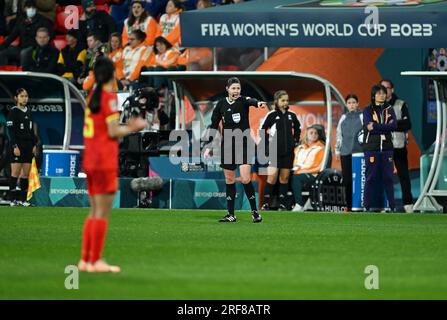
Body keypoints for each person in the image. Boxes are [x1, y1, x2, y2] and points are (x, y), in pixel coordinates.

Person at [78, 57, 146, 273]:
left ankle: (85, 260)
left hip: (90, 159)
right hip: (104, 160)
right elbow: (113, 131)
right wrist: (133, 127)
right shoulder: (108, 98)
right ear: (111, 75)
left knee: (93, 211)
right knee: (102, 213)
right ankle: (96, 261)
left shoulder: (92, 98)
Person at [203, 77, 267, 223]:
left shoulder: (243, 100)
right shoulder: (220, 105)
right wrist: (209, 146)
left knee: (245, 179)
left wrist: (259, 103)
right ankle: (231, 214)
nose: (236, 91)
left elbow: (252, 101)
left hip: (244, 144)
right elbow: (213, 126)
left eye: (238, 88)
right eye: (233, 88)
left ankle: (255, 212)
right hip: (228, 145)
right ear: (227, 89)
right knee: (229, 179)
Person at [259, 90, 301, 211]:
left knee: (284, 178)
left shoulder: (292, 115)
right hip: (274, 152)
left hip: (288, 152)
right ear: (276, 101)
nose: (285, 103)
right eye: (283, 100)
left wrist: (295, 140)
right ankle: (266, 203)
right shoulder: (271, 115)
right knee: (271, 177)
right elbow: (262, 130)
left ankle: (283, 204)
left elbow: (297, 128)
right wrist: (267, 144)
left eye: (287, 100)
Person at [380, 79, 414, 213]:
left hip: (399, 146)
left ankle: (408, 204)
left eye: (386, 88)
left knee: (403, 176)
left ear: (392, 89)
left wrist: (389, 125)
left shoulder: (400, 104)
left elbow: (407, 124)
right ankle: (385, 204)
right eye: (381, 88)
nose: (383, 91)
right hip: (383, 146)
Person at [362, 84, 397, 212]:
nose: (382, 95)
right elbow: (368, 126)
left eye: (383, 93)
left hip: (387, 148)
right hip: (372, 148)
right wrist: (384, 127)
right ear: (373, 95)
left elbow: (394, 126)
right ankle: (366, 206)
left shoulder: (390, 108)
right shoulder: (367, 110)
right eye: (379, 93)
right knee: (370, 177)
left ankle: (393, 206)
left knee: (388, 177)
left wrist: (376, 126)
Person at [6, 88, 38, 207]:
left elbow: (30, 131)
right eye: (22, 96)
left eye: (26, 96)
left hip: (28, 146)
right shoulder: (13, 112)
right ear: (16, 98)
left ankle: (23, 199)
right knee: (15, 172)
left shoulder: (28, 112)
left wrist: (34, 144)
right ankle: (12, 199)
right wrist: (15, 146)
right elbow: (10, 131)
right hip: (17, 145)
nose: (24, 98)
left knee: (25, 174)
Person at [0, 0, 53, 66]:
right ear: (25, 9)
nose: (31, 10)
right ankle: (3, 72)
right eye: (29, 7)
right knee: (3, 52)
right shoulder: (21, 21)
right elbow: (12, 36)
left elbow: (50, 36)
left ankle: (23, 72)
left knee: (24, 53)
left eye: (33, 8)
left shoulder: (43, 21)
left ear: (36, 9)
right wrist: (2, 46)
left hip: (35, 49)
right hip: (22, 47)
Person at [334, 93, 363, 211]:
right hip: (345, 152)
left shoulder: (362, 116)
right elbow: (339, 134)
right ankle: (349, 206)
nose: (351, 105)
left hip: (359, 153)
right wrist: (337, 150)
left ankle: (361, 205)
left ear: (357, 104)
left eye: (354, 102)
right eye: (349, 103)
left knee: (360, 179)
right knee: (347, 180)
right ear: (346, 105)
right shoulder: (343, 118)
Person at [291, 126, 325, 212]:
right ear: (306, 134)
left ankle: (299, 204)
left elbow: (320, 167)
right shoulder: (299, 148)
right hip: (298, 172)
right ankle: (283, 204)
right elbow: (295, 162)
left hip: (313, 174)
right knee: (285, 176)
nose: (313, 135)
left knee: (296, 177)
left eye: (315, 133)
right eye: (311, 133)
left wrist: (304, 171)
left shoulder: (321, 148)